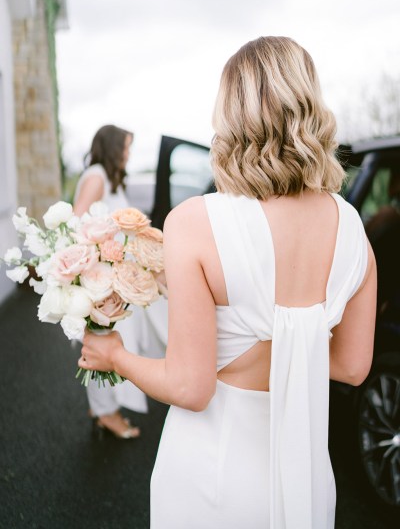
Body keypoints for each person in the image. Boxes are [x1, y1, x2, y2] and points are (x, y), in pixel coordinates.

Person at [78, 37, 377, 528]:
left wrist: (115, 357)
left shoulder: (196, 222)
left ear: (230, 116)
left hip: (211, 474)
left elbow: (190, 387)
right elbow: (351, 365)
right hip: (304, 475)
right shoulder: (351, 229)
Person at [74, 124, 147, 439]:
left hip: (117, 276)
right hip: (102, 277)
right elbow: (77, 225)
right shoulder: (96, 178)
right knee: (102, 342)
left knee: (107, 341)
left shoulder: (110, 178)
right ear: (113, 147)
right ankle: (107, 414)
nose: (128, 154)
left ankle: (101, 407)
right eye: (126, 147)